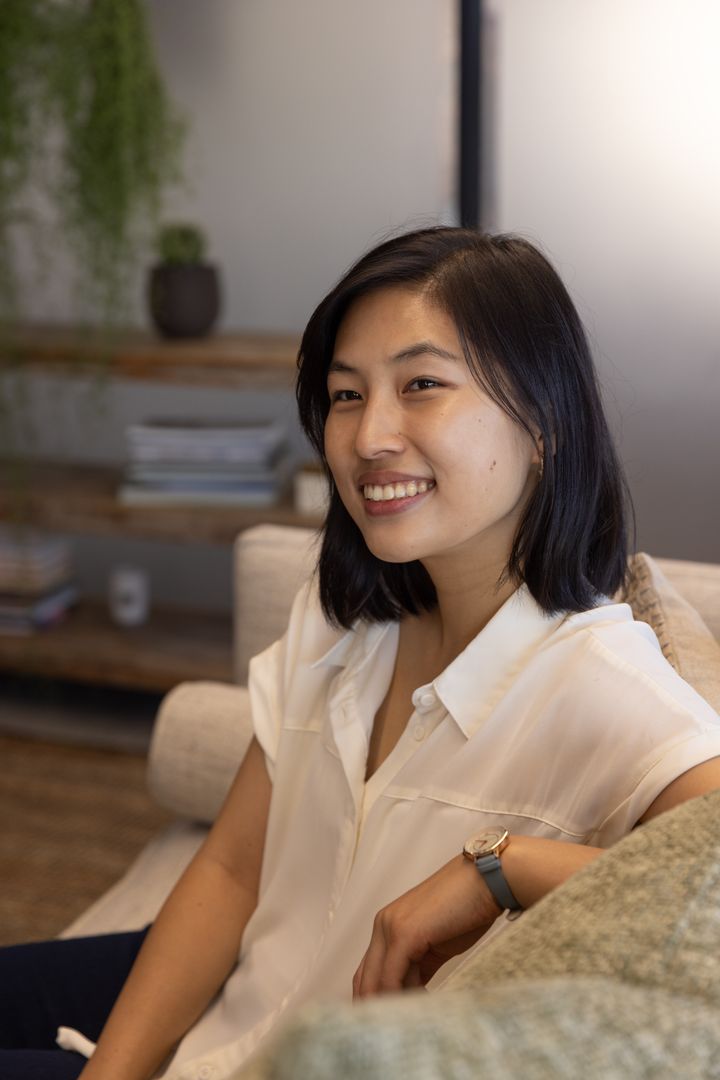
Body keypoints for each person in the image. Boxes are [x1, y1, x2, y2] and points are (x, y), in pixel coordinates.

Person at [2, 227, 720, 1080]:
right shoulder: (345, 612)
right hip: (235, 1005)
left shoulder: (606, 688)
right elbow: (233, 870)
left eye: (422, 384)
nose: (370, 434)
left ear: (544, 424)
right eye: (347, 395)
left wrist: (500, 868)